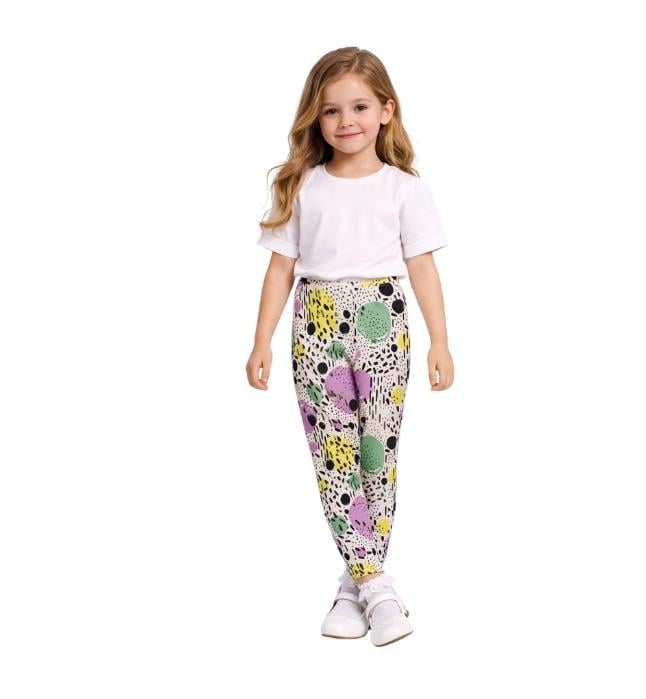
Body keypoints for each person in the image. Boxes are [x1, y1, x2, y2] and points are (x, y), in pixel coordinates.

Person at [246, 47, 454, 647]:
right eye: (331, 110)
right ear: (315, 117)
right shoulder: (302, 186)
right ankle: (375, 585)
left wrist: (440, 341)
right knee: (333, 454)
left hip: (382, 321)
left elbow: (422, 267)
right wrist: (261, 340)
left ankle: (356, 580)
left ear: (386, 110)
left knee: (374, 451)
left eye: (359, 107)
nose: (346, 121)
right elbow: (281, 269)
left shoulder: (404, 189)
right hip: (315, 325)